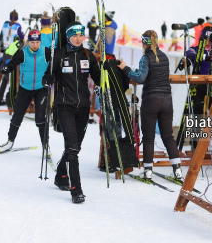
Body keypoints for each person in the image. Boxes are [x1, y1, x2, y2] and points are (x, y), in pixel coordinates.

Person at [44, 21, 101, 204]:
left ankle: (61, 175)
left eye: (81, 35)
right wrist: (48, 78)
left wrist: (106, 69)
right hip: (64, 105)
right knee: (72, 149)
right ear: (68, 37)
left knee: (74, 147)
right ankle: (76, 190)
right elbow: (48, 75)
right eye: (74, 35)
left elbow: (98, 78)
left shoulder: (88, 55)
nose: (78, 39)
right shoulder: (59, 55)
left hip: (83, 106)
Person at [117, 30, 182, 180]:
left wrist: (125, 69)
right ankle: (177, 170)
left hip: (151, 100)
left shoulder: (146, 58)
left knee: (148, 138)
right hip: (167, 100)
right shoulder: (164, 56)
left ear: (144, 42)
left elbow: (140, 78)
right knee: (168, 136)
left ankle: (148, 171)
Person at [0, 30, 51, 152]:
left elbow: (54, 65)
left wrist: (50, 76)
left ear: (40, 42)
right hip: (25, 88)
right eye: (32, 42)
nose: (35, 45)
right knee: (17, 115)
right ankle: (9, 142)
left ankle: (45, 145)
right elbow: (12, 64)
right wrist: (6, 68)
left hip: (41, 88)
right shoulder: (23, 53)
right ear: (28, 41)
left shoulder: (46, 52)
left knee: (40, 117)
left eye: (37, 42)